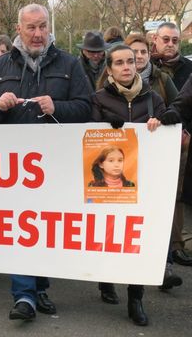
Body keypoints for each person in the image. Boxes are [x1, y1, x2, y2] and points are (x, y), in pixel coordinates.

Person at [0, 3, 92, 321]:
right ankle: (23, 296)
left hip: (55, 166)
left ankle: (39, 287)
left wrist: (58, 108)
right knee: (21, 228)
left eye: (43, 26)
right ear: (18, 29)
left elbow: (86, 109)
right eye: (31, 28)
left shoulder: (69, 64)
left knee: (46, 228)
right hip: (13, 168)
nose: (38, 34)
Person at [91, 44, 171, 326]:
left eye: (131, 61)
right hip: (111, 184)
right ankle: (106, 280)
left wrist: (161, 124)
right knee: (110, 235)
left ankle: (135, 297)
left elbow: (168, 134)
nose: (127, 66)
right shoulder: (98, 98)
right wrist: (101, 127)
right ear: (109, 69)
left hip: (143, 182)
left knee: (137, 240)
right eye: (119, 63)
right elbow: (89, 139)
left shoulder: (153, 99)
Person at [151, 22, 192, 267]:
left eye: (175, 40)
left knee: (176, 195)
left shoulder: (188, 68)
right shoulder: (146, 66)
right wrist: (170, 116)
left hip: (182, 141)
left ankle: (176, 246)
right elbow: (182, 103)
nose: (170, 44)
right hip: (158, 138)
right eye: (165, 39)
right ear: (155, 39)